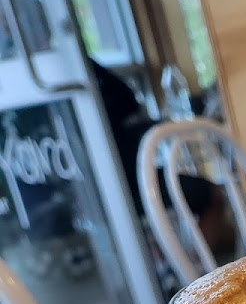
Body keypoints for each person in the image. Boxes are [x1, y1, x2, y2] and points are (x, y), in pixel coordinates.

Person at [89, 58, 231, 256]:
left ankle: (187, 260)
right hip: (129, 184)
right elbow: (126, 99)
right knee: (213, 194)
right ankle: (199, 263)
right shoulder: (91, 77)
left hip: (106, 196)